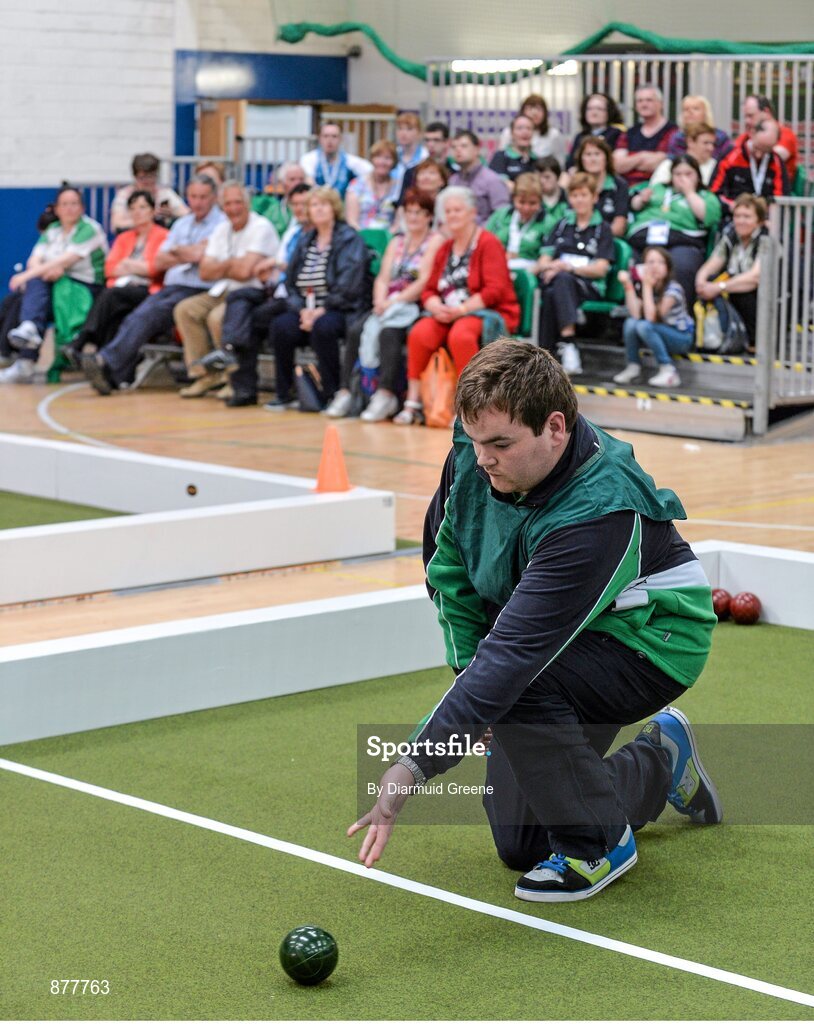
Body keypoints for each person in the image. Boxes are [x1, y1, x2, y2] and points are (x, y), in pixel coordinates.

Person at [349, 340, 721, 903]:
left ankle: (599, 845)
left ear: (555, 427)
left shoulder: (599, 514)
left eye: (499, 444)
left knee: (515, 687)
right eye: (474, 442)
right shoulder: (478, 454)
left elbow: (513, 659)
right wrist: (469, 677)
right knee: (521, 841)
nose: (482, 460)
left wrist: (409, 769)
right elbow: (449, 569)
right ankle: (660, 757)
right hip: (550, 639)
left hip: (648, 642)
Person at [81, 174, 224, 395]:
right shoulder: (182, 223)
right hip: (173, 286)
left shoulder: (221, 224)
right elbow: (159, 260)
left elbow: (202, 256)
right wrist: (187, 253)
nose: (198, 202)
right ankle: (112, 372)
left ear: (214, 197)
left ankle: (107, 364)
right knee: (137, 316)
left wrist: (178, 252)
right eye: (193, 196)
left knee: (149, 315)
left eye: (203, 197)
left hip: (200, 288)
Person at [394, 187, 519, 426]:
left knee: (461, 334)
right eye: (447, 211)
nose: (451, 216)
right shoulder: (444, 247)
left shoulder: (488, 243)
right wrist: (435, 306)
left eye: (457, 210)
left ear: (472, 212)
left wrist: (460, 310)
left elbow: (495, 290)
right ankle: (413, 401)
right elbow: (429, 289)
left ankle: (466, 406)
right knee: (420, 332)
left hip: (486, 311)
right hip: (448, 313)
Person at [324, 189, 442, 422]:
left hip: (414, 304)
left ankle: (386, 393)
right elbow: (383, 277)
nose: (413, 218)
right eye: (409, 212)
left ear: (429, 216)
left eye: (419, 213)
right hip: (388, 302)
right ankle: (346, 391)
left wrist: (394, 301)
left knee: (389, 333)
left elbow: (424, 280)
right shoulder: (397, 241)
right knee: (357, 330)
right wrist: (380, 300)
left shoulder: (435, 241)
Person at [264, 186, 370, 411]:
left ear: (334, 208)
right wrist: (302, 310)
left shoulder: (349, 238)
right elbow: (290, 283)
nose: (318, 209)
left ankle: (330, 393)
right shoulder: (305, 241)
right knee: (281, 326)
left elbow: (350, 285)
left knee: (324, 328)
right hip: (306, 309)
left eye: (323, 204)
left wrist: (321, 309)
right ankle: (285, 393)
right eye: (314, 205)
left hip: (341, 309)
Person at [207, 183, 313, 407]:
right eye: (294, 204)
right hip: (275, 290)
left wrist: (276, 265)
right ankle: (242, 383)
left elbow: (298, 270)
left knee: (249, 317)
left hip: (300, 297)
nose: (299, 209)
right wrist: (271, 275)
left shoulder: (320, 235)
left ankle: (231, 356)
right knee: (239, 301)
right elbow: (206, 270)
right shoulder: (293, 232)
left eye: (305, 204)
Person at [173, 182, 279, 398]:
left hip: (254, 293)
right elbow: (205, 271)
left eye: (238, 202)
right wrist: (233, 264)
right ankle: (204, 374)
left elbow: (245, 272)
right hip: (224, 289)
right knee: (185, 309)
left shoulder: (261, 227)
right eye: (228, 203)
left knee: (217, 317)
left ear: (247, 204)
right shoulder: (222, 229)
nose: (233, 208)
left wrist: (223, 266)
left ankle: (233, 378)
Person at [1, 186, 108, 384]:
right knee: (18, 298)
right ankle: (25, 343)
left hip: (86, 290)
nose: (69, 208)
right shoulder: (53, 230)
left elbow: (64, 261)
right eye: (64, 204)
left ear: (82, 208)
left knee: (31, 288)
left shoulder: (90, 229)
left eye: (74, 203)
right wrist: (38, 271)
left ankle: (25, 355)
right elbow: (35, 259)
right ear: (57, 209)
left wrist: (27, 276)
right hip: (55, 286)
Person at [66, 190, 168, 367]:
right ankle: (109, 371)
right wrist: (138, 267)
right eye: (133, 208)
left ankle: (83, 340)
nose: (137, 212)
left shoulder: (163, 236)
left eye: (143, 207)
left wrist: (129, 265)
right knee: (114, 314)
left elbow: (156, 269)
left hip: (148, 290)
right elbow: (109, 268)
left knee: (110, 296)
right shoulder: (124, 238)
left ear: (152, 211)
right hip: (122, 289)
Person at [535, 173, 614, 373]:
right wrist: (552, 265)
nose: (579, 200)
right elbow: (544, 258)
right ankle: (558, 351)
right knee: (553, 289)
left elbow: (601, 268)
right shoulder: (562, 225)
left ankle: (558, 347)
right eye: (575, 195)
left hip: (588, 285)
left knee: (561, 281)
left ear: (594, 197)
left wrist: (569, 268)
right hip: (559, 281)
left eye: (584, 195)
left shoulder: (602, 228)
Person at [627, 155, 721, 303]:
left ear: (698, 175)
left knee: (681, 265)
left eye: (688, 174)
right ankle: (633, 310)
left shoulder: (705, 195)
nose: (682, 178)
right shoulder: (658, 189)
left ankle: (676, 312)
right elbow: (633, 205)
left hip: (682, 240)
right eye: (678, 174)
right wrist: (641, 199)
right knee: (629, 260)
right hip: (645, 238)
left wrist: (689, 193)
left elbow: (709, 218)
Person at [614, 246, 695, 388]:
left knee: (644, 325)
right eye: (650, 262)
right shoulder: (645, 286)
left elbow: (652, 318)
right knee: (631, 323)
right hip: (657, 334)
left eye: (661, 262)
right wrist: (628, 285)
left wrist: (646, 286)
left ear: (668, 267)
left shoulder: (673, 289)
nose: (655, 266)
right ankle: (633, 366)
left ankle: (668, 370)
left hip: (681, 338)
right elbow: (635, 314)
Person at [694, 193, 768, 348]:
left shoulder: (767, 239)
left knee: (741, 290)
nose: (741, 221)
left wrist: (718, 287)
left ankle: (756, 340)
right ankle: (711, 339)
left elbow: (755, 277)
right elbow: (713, 262)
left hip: (765, 299)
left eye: (747, 217)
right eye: (737, 216)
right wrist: (701, 281)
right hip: (734, 289)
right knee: (710, 280)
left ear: (759, 221)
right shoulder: (731, 236)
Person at [712, 119, 789, 213]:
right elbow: (714, 190)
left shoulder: (776, 161)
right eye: (757, 147)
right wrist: (732, 207)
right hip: (733, 216)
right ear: (752, 134)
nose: (759, 155)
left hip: (764, 220)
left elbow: (781, 198)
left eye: (766, 150)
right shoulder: (730, 155)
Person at [614, 84, 679, 188]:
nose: (644, 104)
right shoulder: (629, 132)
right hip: (627, 190)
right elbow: (617, 165)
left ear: (660, 104)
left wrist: (630, 159)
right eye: (640, 101)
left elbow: (660, 164)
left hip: (659, 189)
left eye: (649, 100)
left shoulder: (672, 131)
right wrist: (642, 156)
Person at [485, 173, 553, 271]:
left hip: (530, 272)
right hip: (497, 267)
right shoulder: (500, 216)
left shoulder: (548, 222)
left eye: (532, 203)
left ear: (540, 201)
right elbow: (484, 243)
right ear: (513, 199)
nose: (526, 208)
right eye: (521, 202)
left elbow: (546, 257)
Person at [110, 153, 189, 232]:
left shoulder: (165, 193)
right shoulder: (125, 194)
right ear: (135, 177)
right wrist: (147, 219)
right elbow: (116, 224)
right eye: (143, 177)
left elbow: (188, 215)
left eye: (151, 176)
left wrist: (172, 215)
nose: (148, 181)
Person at [572, 136, 629, 237]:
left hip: (607, 241)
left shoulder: (620, 185)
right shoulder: (574, 184)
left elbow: (619, 227)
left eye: (597, 154)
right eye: (588, 154)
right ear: (581, 159)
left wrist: (598, 237)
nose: (593, 159)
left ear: (606, 158)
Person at [449, 131, 511, 225]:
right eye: (454, 147)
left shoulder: (492, 180)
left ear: (477, 149)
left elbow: (502, 216)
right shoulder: (453, 180)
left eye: (464, 146)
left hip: (484, 234)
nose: (458, 150)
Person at [300, 122, 372, 199]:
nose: (329, 140)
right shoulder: (309, 159)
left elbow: (371, 172)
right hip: (318, 205)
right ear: (319, 138)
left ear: (341, 139)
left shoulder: (350, 161)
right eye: (325, 136)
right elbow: (309, 183)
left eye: (334, 136)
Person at [738, 95, 799, 181]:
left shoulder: (785, 134)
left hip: (777, 190)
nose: (747, 121)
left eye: (751, 116)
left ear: (766, 112)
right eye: (745, 117)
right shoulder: (745, 137)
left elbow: (769, 158)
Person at [344, 140, 401, 231]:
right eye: (378, 157)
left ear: (394, 162)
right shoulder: (357, 185)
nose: (382, 162)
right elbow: (351, 221)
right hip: (360, 237)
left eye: (387, 158)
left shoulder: (399, 187)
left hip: (389, 238)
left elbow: (399, 221)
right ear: (372, 159)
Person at [498, 93, 567, 165]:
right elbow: (501, 158)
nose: (534, 113)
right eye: (530, 108)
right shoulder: (508, 132)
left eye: (539, 109)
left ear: (545, 113)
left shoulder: (554, 134)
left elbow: (560, 162)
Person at [667, 95, 733, 164]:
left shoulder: (720, 137)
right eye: (686, 109)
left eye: (696, 108)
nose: (690, 112)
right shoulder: (677, 138)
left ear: (706, 113)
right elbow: (673, 162)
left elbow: (727, 160)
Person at [566, 92, 625, 169]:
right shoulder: (580, 136)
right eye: (589, 109)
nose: (594, 112)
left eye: (599, 109)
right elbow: (570, 164)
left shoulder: (618, 134)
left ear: (609, 112)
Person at [652, 123, 718, 187]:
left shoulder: (717, 167)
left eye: (713, 144)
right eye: (706, 143)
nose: (711, 148)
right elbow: (655, 191)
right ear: (690, 142)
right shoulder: (668, 165)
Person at [252, 162, 307, 235]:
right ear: (282, 183)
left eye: (301, 179)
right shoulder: (272, 210)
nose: (298, 183)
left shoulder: (312, 209)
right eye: (292, 179)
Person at [489, 115, 538, 186]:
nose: (525, 132)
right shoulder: (500, 157)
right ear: (512, 133)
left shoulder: (536, 159)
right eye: (520, 128)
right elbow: (498, 182)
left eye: (529, 128)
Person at [394, 112, 428, 181]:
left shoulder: (425, 156)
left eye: (409, 129)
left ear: (419, 133)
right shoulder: (393, 154)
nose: (403, 133)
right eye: (400, 128)